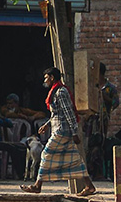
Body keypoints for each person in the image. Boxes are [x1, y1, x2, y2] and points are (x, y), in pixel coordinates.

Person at [22, 65, 87, 195]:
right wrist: (47, 124)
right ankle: (89, 185)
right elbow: (57, 114)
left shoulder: (61, 92)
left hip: (62, 131)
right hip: (58, 128)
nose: (45, 81)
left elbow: (69, 113)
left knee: (45, 153)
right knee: (74, 159)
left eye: (46, 78)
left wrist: (75, 132)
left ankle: (37, 185)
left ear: (52, 78)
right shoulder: (55, 91)